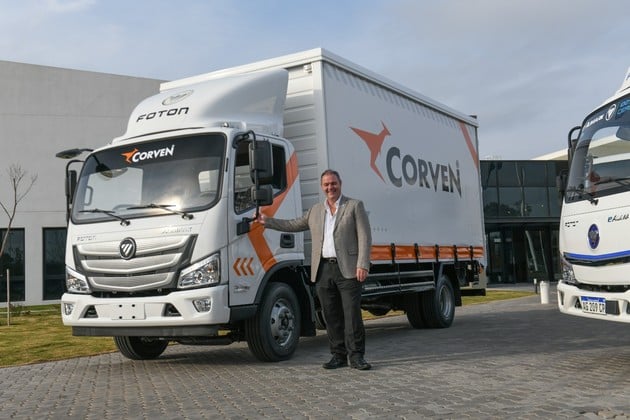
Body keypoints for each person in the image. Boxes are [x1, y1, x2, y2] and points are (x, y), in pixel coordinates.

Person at [256, 169, 373, 370]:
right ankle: (338, 355)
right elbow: (293, 224)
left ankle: (356, 357)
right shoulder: (315, 211)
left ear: (340, 183)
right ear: (322, 187)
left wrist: (362, 264)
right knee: (331, 315)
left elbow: (365, 237)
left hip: (348, 269)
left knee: (351, 315)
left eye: (333, 183)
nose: (330, 187)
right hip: (323, 269)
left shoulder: (354, 206)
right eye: (326, 184)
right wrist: (267, 221)